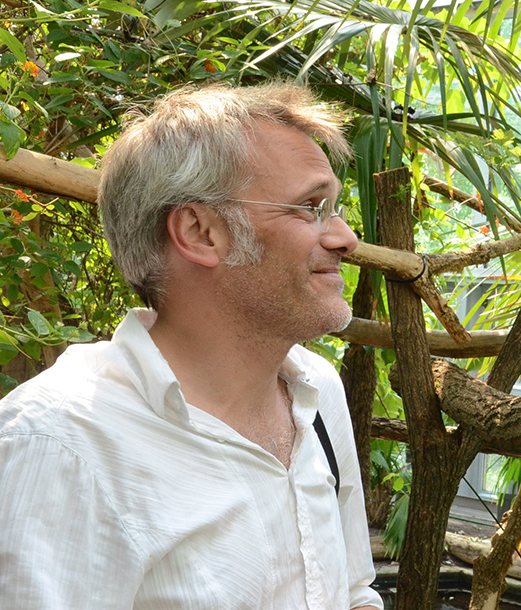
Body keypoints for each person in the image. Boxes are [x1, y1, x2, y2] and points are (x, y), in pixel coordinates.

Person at [0, 83, 383, 609]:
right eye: (310, 207)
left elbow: (354, 593)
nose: (344, 238)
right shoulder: (59, 445)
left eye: (334, 208)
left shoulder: (317, 394)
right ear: (201, 232)